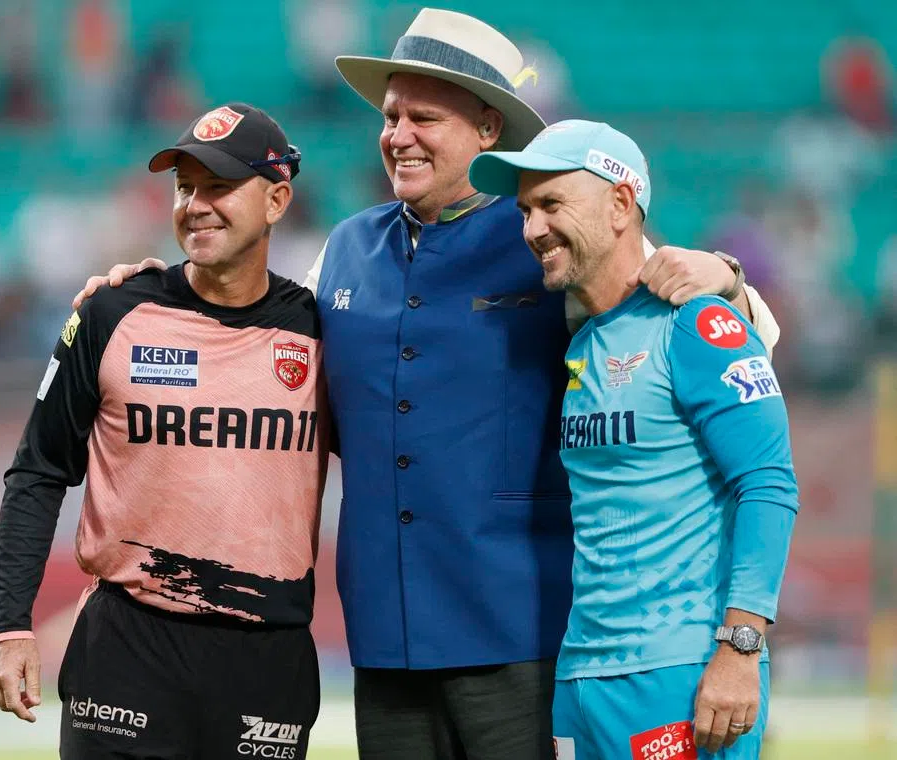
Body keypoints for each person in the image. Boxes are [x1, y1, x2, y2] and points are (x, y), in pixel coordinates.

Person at [73, 9, 783, 758]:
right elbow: (251, 337)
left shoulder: (544, 235)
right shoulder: (347, 248)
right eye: (390, 116)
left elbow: (725, 337)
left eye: (424, 117)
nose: (398, 134)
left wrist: (726, 278)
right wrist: (149, 294)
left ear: (486, 129)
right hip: (384, 643)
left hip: (521, 636)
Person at [0, 103, 329, 760]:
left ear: (278, 198)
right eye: (185, 186)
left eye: (220, 186)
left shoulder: (319, 331)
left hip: (267, 660)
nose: (196, 205)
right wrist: (9, 626)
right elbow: (38, 468)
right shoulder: (113, 312)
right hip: (126, 651)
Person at [469, 120, 798, 758]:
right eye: (526, 211)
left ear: (621, 204)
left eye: (552, 204)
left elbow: (769, 484)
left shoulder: (697, 322)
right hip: (582, 679)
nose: (532, 229)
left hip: (683, 674)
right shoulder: (582, 335)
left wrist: (741, 649)